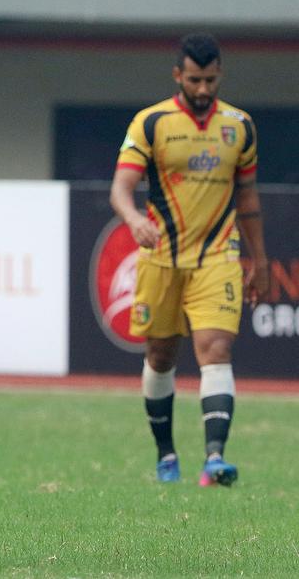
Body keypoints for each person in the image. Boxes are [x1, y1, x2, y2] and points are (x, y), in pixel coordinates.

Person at [110, 33, 269, 487]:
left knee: (216, 349)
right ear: (178, 75)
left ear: (221, 76)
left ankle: (214, 459)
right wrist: (132, 218)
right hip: (161, 256)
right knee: (161, 355)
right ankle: (166, 457)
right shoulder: (152, 123)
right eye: (195, 80)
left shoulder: (239, 127)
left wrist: (257, 258)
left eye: (211, 80)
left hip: (218, 254)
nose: (203, 89)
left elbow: (249, 196)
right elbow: (121, 188)